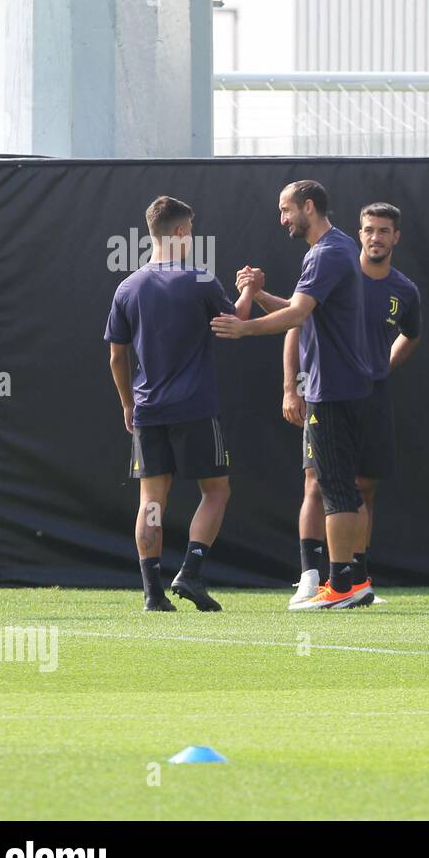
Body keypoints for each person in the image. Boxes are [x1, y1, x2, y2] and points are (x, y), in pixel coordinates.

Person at [212, 180, 375, 610]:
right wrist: (261, 292)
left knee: (335, 489)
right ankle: (354, 582)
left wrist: (244, 327)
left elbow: (298, 315)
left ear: (308, 206)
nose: (283, 219)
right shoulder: (333, 250)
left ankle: (341, 586)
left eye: (286, 210)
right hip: (344, 387)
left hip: (334, 389)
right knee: (343, 489)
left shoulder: (327, 252)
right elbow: (301, 309)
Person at [105, 196, 255, 612]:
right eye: (190, 230)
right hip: (194, 408)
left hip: (149, 410)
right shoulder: (201, 281)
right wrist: (248, 290)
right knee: (216, 492)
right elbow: (234, 324)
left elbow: (117, 356)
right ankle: (191, 571)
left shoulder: (127, 287)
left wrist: (127, 405)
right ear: (179, 232)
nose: (191, 237)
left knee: (151, 502)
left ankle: (153, 593)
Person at [285, 202, 422, 609]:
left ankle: (355, 580)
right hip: (324, 391)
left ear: (396, 237)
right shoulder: (338, 271)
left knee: (363, 487)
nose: (375, 237)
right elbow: (295, 323)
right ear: (359, 234)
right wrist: (291, 388)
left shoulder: (404, 290)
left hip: (369, 396)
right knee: (320, 484)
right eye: (369, 230)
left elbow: (411, 335)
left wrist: (381, 367)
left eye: (383, 231)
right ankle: (313, 578)